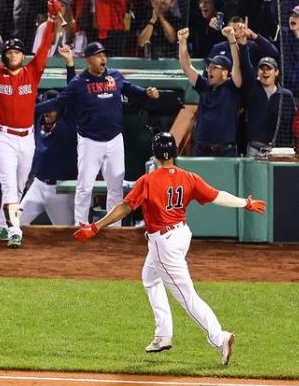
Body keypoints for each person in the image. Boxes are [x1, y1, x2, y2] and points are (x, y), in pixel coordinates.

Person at [74, 131, 266, 365]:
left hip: (164, 243)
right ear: (175, 152)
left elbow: (125, 207)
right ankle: (163, 335)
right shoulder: (189, 177)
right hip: (180, 235)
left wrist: (95, 226)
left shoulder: (148, 180)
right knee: (150, 278)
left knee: (187, 296)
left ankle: (220, 338)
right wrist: (245, 202)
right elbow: (217, 196)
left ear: (154, 154)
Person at [35, 41, 160, 226]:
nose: (103, 58)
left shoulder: (115, 76)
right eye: (99, 55)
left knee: (116, 187)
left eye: (104, 55)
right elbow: (58, 102)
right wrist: (32, 107)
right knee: (84, 187)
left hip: (115, 140)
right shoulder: (79, 83)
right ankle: (80, 225)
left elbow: (130, 89)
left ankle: (114, 227)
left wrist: (146, 93)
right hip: (90, 141)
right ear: (89, 59)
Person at [0, 0, 61, 247]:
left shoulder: (32, 72)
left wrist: (51, 19)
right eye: (9, 52)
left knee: (20, 184)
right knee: (9, 185)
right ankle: (15, 229)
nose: (12, 54)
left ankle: (3, 224)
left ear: (23, 55)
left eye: (16, 51)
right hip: (3, 137)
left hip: (27, 138)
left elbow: (45, 46)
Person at [20, 46, 78, 225]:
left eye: (51, 109)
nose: (47, 112)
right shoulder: (39, 121)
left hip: (60, 189)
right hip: (37, 186)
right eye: (45, 108)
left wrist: (70, 64)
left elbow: (74, 94)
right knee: (12, 223)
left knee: (65, 235)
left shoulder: (68, 122)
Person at [178, 26, 242, 156]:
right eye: (209, 67)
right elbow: (186, 67)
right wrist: (183, 42)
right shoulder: (204, 85)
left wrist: (231, 39)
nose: (209, 70)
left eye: (214, 68)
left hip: (225, 151)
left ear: (225, 73)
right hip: (201, 149)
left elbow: (236, 65)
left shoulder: (232, 87)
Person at [241, 56, 297, 156]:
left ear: (276, 72)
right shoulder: (252, 90)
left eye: (269, 69)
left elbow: (290, 123)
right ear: (258, 72)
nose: (265, 72)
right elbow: (245, 66)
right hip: (254, 149)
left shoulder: (286, 95)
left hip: (278, 151)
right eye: (262, 69)